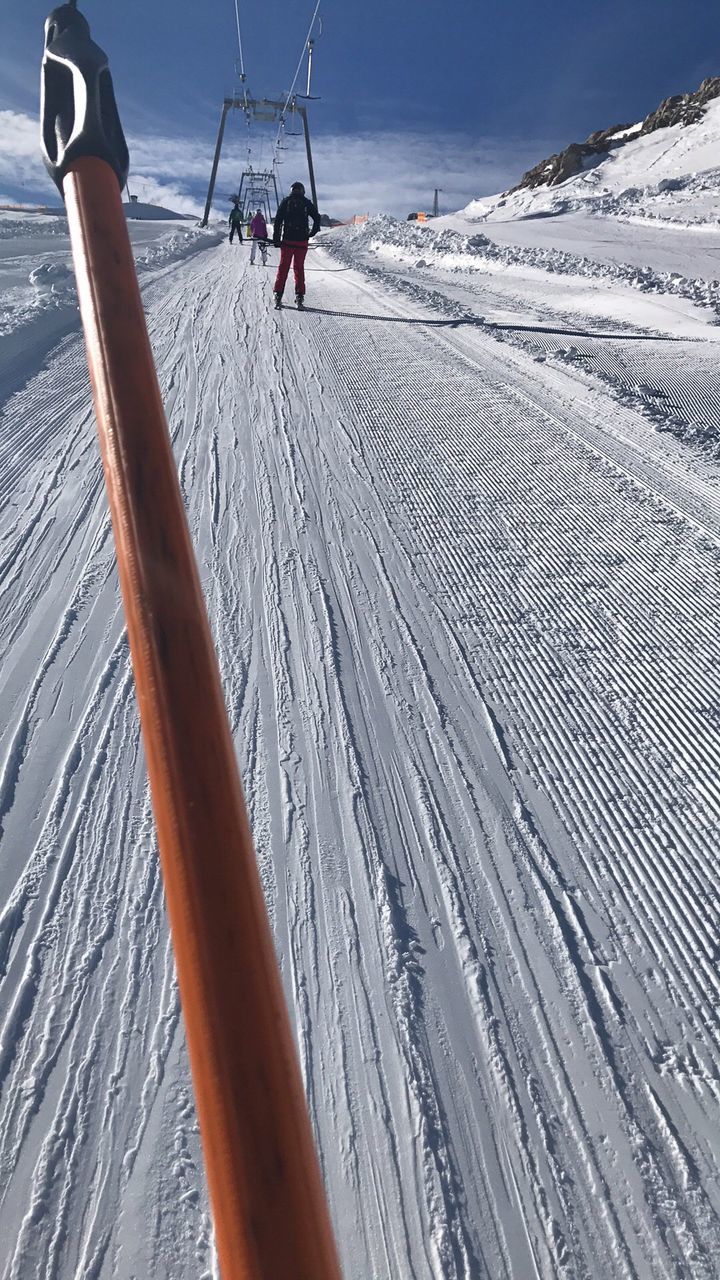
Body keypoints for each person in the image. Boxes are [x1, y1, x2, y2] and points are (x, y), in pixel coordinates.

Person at [272, 181, 321, 309]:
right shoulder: (306, 202)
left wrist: (276, 238)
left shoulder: (286, 201)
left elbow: (278, 220)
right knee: (299, 268)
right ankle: (299, 296)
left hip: (287, 240)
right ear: (302, 190)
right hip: (302, 241)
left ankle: (278, 294)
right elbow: (317, 217)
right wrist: (312, 233)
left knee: (283, 267)